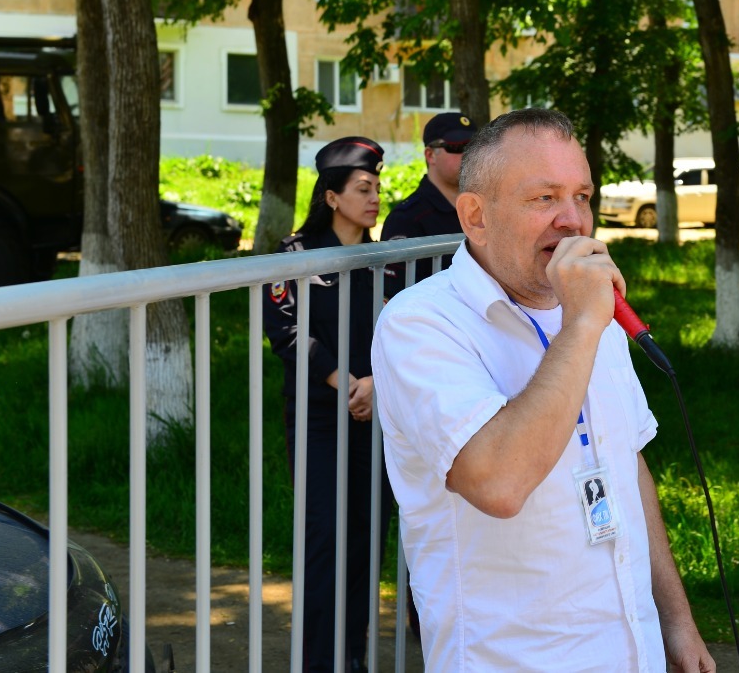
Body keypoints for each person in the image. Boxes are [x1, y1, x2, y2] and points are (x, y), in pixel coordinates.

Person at [371, 109, 715, 672]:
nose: (573, 221)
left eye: (582, 196)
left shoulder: (585, 308)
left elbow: (627, 463)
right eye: (544, 199)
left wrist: (676, 621)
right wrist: (582, 326)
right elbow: (498, 484)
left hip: (632, 651)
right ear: (476, 216)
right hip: (512, 659)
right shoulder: (422, 324)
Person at [263, 136, 393, 673]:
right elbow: (287, 333)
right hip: (320, 416)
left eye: (378, 188)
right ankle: (319, 660)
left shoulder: (384, 258)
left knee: (367, 538)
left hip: (375, 413)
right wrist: (347, 382)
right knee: (325, 538)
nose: (375, 198)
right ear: (333, 197)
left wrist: (376, 385)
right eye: (363, 189)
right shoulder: (293, 257)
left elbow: (399, 331)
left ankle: (353, 655)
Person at [380, 111, 475, 281]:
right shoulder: (406, 219)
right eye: (457, 147)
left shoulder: (486, 209)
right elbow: (394, 295)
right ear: (430, 155)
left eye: (474, 147)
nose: (468, 155)